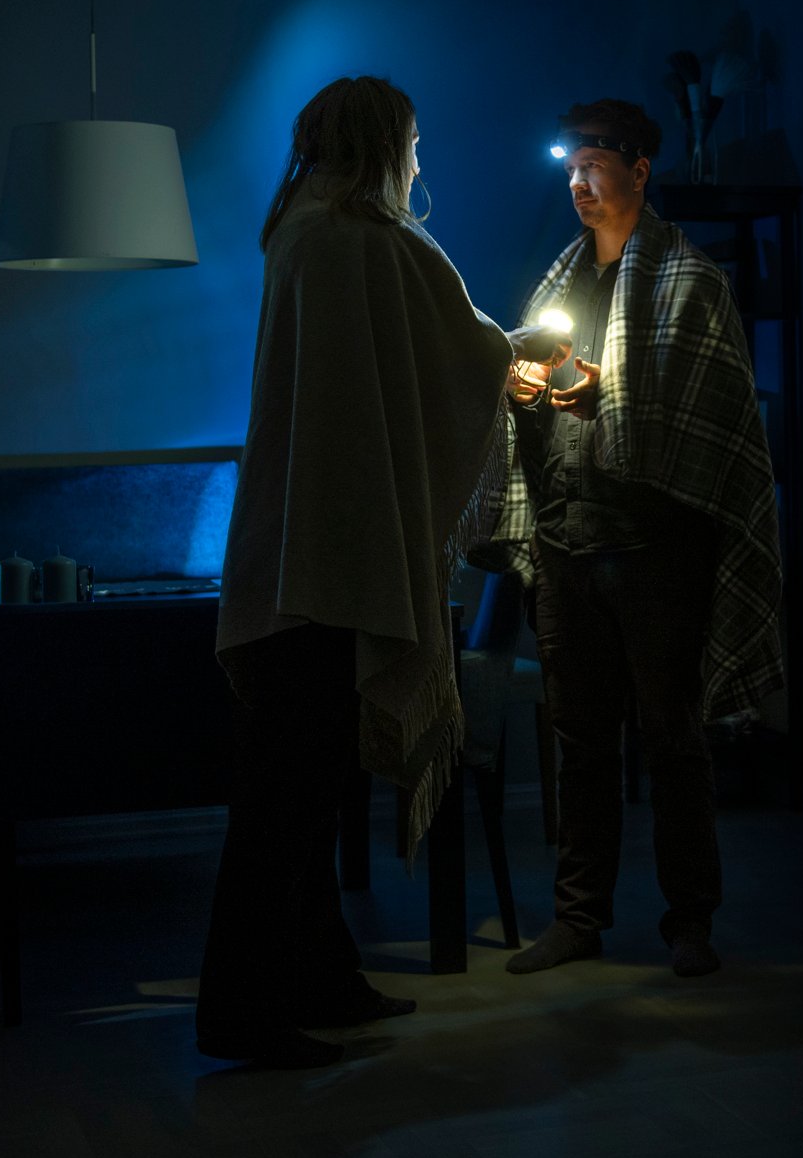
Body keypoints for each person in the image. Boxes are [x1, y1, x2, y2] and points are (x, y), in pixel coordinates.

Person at [198, 75, 568, 1068]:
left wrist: (489, 358)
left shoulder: (301, 230)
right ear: (383, 143)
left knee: (299, 793)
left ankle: (320, 979)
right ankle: (243, 1011)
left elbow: (408, 356)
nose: (418, 162)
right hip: (330, 559)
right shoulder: (358, 236)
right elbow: (454, 349)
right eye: (410, 142)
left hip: (293, 549)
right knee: (285, 803)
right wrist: (517, 353)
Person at [477, 98, 784, 980]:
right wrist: (529, 385)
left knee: (672, 737)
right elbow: (528, 380)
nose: (577, 181)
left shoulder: (691, 281)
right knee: (580, 739)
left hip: (656, 551)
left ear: (639, 171)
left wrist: (611, 392)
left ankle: (691, 919)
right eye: (568, 166)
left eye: (594, 165)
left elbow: (706, 416)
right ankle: (581, 917)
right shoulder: (559, 281)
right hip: (571, 542)